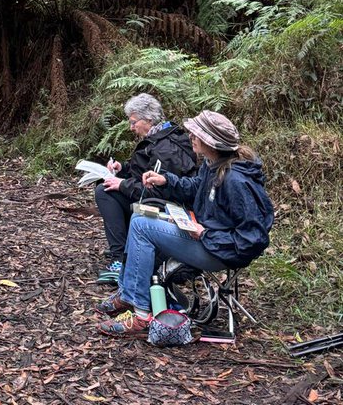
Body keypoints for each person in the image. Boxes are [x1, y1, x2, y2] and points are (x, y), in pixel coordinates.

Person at [96, 109, 274, 338]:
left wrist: (206, 234)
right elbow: (194, 187)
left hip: (218, 250)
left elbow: (253, 238)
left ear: (211, 142)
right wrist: (165, 180)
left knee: (142, 226)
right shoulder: (213, 164)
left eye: (196, 134)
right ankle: (128, 294)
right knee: (141, 217)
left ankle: (140, 315)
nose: (190, 137)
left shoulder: (235, 180)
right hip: (206, 236)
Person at [93, 93, 196, 282]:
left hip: (165, 207)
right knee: (107, 186)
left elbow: (156, 190)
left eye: (133, 122)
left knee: (105, 192)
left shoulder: (166, 148)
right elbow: (144, 170)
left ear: (148, 119)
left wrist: (123, 184)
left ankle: (120, 260)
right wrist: (122, 169)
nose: (131, 127)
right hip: (152, 197)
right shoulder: (159, 136)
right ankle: (124, 249)